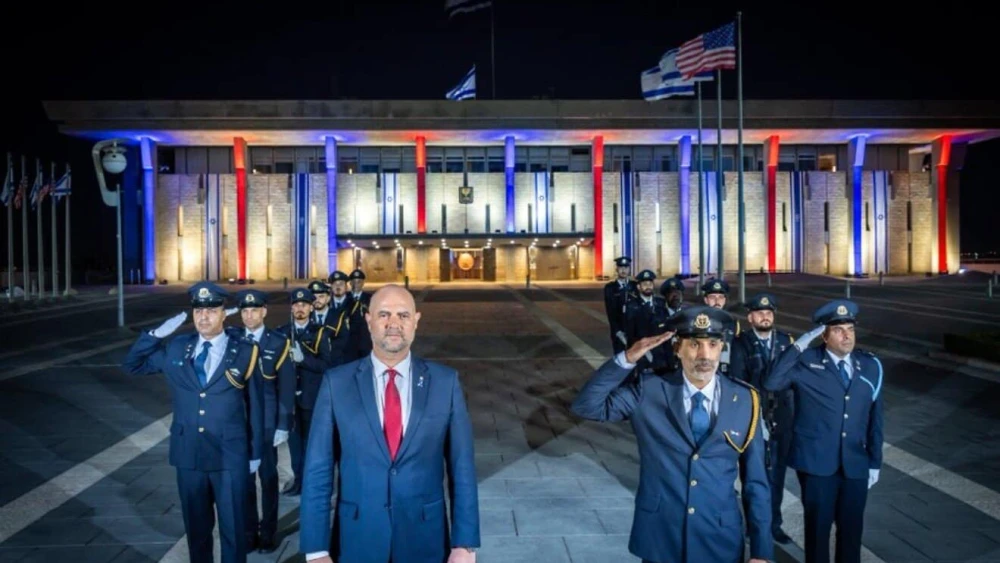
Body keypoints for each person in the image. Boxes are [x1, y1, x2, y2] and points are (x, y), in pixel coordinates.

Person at [571, 305, 772, 563]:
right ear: (677, 348)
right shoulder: (650, 389)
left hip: (719, 537)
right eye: (694, 345)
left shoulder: (745, 399)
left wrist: (762, 551)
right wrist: (627, 358)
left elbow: (756, 483)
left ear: (722, 348)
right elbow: (586, 406)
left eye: (712, 344)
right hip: (661, 537)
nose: (704, 355)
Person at [299, 284, 480, 563]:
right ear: (369, 320)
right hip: (358, 539)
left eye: (403, 315)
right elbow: (318, 471)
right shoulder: (337, 383)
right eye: (384, 314)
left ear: (416, 322)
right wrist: (316, 549)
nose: (394, 323)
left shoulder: (445, 382)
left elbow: (462, 469)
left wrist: (465, 544)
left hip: (425, 540)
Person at [121, 281, 265, 563]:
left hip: (229, 458)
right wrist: (154, 335)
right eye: (198, 310)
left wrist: (255, 452)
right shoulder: (177, 348)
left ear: (225, 313)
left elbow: (255, 405)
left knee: (233, 533)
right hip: (189, 457)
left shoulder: (245, 351)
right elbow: (133, 365)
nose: (204, 316)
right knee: (197, 533)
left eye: (211, 310)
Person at [764, 299, 884, 563]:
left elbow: (875, 419)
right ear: (824, 335)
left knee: (852, 532)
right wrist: (800, 344)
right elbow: (772, 381)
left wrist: (874, 461)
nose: (846, 335)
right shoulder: (807, 361)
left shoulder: (871, 366)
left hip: (855, 464)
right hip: (817, 464)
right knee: (817, 533)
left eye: (850, 329)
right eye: (839, 329)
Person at [231, 289, 296, 553]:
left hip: (268, 421)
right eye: (244, 311)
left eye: (254, 311)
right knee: (243, 479)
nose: (249, 316)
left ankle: (268, 532)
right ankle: (248, 532)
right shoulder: (232, 339)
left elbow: (287, 386)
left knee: (268, 478)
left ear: (264, 312)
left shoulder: (278, 342)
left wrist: (283, 423)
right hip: (239, 421)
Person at [728, 292, 796, 544]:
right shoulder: (741, 343)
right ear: (750, 317)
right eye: (760, 313)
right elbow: (738, 380)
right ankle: (755, 525)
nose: (765, 317)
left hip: (781, 418)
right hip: (755, 417)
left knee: (778, 474)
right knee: (754, 474)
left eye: (769, 313)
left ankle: (774, 524)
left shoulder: (786, 341)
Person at [603, 256, 638, 354]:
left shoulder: (635, 286)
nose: (623, 270)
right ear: (616, 269)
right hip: (619, 331)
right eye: (621, 268)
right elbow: (610, 312)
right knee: (620, 358)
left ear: (629, 269)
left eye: (626, 268)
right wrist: (617, 331)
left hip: (634, 331)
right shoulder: (610, 288)